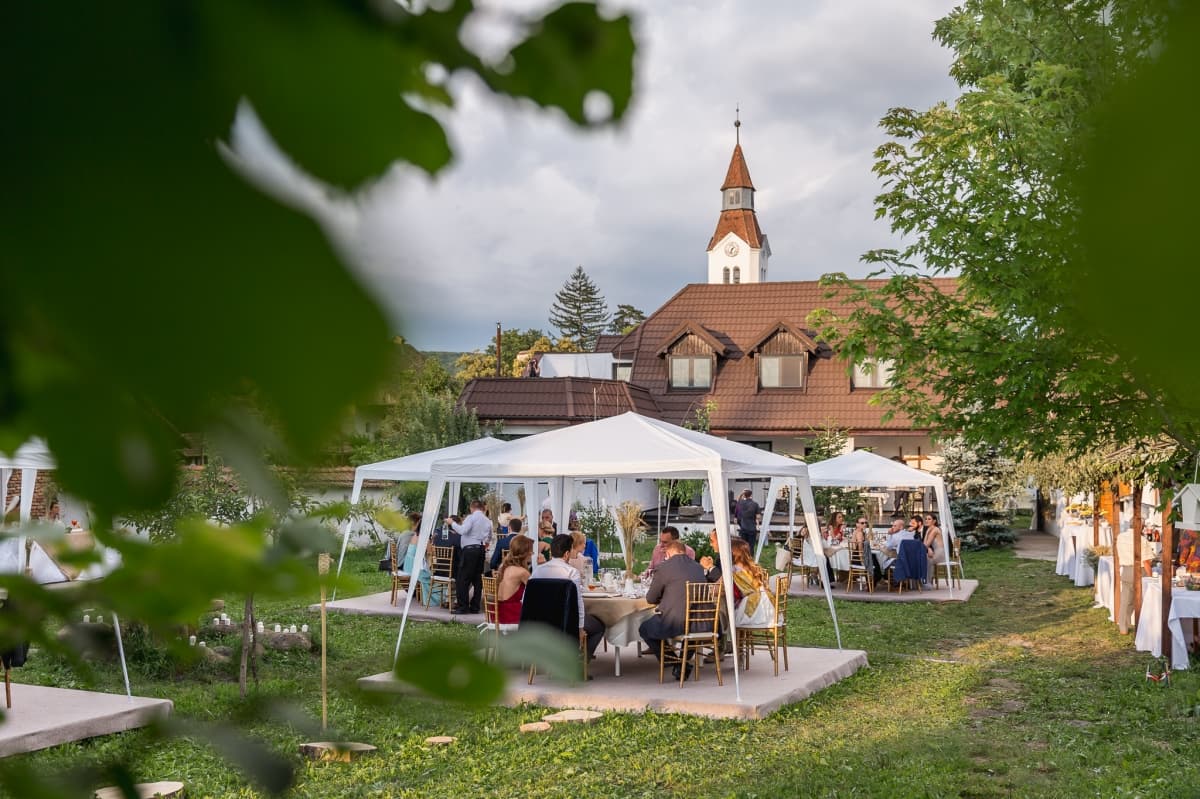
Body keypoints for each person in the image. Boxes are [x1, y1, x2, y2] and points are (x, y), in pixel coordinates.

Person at [638, 538, 707, 680]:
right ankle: (682, 664)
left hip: (675, 620)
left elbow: (651, 598)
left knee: (645, 628)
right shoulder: (698, 567)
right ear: (684, 552)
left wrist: (663, 598)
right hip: (701, 622)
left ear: (668, 554)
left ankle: (675, 662)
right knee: (691, 629)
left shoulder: (664, 567)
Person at [530, 534, 606, 661]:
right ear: (566, 554)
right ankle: (580, 665)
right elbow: (578, 603)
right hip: (565, 623)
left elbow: (526, 599)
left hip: (541, 623)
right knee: (599, 627)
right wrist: (580, 629)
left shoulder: (537, 571)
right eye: (572, 549)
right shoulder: (571, 572)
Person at [445, 499, 492, 615]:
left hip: (469, 550)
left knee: (462, 579)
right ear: (482, 508)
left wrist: (452, 523)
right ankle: (475, 607)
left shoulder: (471, 518)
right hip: (480, 549)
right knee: (477, 579)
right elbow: (489, 538)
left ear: (472, 508)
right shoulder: (488, 521)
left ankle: (463, 606)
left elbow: (462, 530)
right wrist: (483, 545)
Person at [730, 539, 774, 627]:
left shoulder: (734, 569)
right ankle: (742, 640)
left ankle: (736, 639)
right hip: (768, 606)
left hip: (753, 608)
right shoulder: (754, 567)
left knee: (731, 615)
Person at [496, 535, 533, 624]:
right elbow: (535, 592)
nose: (532, 553)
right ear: (525, 552)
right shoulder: (522, 572)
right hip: (511, 614)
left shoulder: (504, 567)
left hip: (497, 612)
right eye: (531, 550)